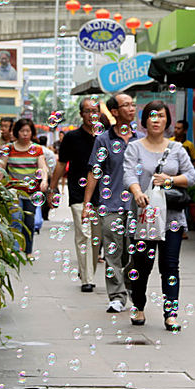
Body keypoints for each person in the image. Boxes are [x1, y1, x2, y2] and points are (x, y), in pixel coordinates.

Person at [124, 101, 195, 331]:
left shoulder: (177, 149)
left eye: (161, 116)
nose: (156, 119)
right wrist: (136, 192)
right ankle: (138, 306)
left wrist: (170, 180)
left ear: (167, 121)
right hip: (144, 216)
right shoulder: (134, 147)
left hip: (172, 218)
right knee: (142, 265)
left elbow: (191, 176)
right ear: (144, 121)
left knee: (170, 266)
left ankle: (171, 314)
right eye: (151, 116)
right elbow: (128, 175)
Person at [83, 93, 138, 313]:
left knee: (132, 252)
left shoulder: (141, 138)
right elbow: (94, 172)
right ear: (114, 112)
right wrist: (88, 204)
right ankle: (116, 295)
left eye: (133, 105)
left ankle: (132, 287)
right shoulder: (103, 139)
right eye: (126, 105)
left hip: (137, 205)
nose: (131, 108)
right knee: (113, 252)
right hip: (111, 204)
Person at [49, 97, 103, 293]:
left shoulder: (104, 137)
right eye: (88, 111)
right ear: (81, 114)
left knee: (97, 239)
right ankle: (87, 279)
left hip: (102, 195)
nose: (91, 115)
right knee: (84, 235)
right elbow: (61, 164)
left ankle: (86, 270)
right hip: (78, 193)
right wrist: (52, 188)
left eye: (95, 111)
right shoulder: (71, 138)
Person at [0, 117, 49, 255]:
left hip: (31, 192)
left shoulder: (37, 149)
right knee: (15, 220)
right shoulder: (8, 148)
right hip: (13, 191)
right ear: (17, 132)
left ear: (32, 132)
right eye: (22, 131)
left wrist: (44, 180)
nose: (25, 134)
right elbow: (1, 167)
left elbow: (43, 167)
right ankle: (15, 250)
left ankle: (28, 250)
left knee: (29, 222)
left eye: (28, 131)